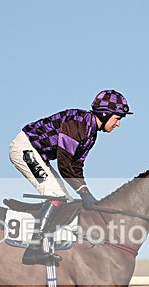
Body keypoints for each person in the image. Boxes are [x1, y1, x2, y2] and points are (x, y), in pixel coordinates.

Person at [9, 89, 132, 265]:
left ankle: (49, 244)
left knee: (65, 200)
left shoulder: (91, 134)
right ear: (105, 114)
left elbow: (76, 167)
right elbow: (64, 164)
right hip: (25, 148)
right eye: (117, 118)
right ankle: (33, 249)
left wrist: (86, 192)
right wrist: (83, 193)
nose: (118, 124)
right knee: (56, 195)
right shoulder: (78, 124)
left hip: (39, 154)